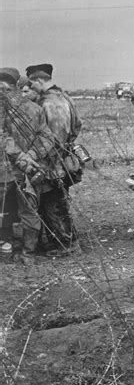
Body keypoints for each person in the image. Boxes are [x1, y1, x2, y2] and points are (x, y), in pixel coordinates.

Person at [0, 67, 58, 264]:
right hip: (28, 171)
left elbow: (45, 137)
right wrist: (30, 157)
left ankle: (16, 248)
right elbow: (47, 139)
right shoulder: (34, 108)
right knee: (28, 211)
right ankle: (27, 253)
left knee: (15, 211)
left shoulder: (33, 109)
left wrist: (26, 156)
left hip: (12, 172)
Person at [26, 63, 83, 256]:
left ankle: (68, 244)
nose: (30, 88)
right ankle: (59, 241)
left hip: (52, 163)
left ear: (39, 80)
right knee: (54, 201)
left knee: (54, 202)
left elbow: (54, 138)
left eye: (32, 84)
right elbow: (77, 126)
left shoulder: (50, 102)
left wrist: (41, 160)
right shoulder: (64, 97)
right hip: (59, 158)